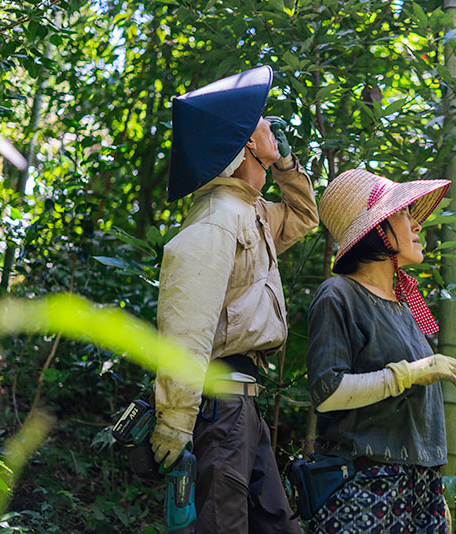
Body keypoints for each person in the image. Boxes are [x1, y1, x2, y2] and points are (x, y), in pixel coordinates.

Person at [150, 65, 318, 533]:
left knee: (274, 524)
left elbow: (305, 216)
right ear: (245, 141)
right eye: (261, 121)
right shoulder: (217, 218)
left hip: (243, 406)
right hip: (218, 406)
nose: (270, 124)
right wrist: (175, 418)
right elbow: (187, 324)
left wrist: (282, 164)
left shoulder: (250, 211)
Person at [305, 168, 456, 533]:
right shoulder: (338, 294)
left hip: (420, 487)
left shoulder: (402, 305)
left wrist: (433, 491)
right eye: (403, 214)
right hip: (363, 484)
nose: (416, 225)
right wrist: (412, 373)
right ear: (377, 230)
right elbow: (326, 392)